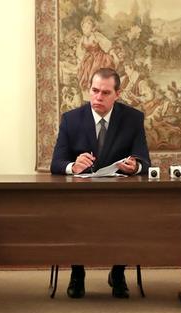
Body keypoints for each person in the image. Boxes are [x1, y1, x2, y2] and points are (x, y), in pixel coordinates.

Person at [51, 67, 151, 299]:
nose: (98, 97)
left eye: (105, 93)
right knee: (75, 220)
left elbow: (145, 160)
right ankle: (77, 273)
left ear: (117, 93)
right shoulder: (71, 119)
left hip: (118, 196)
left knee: (128, 219)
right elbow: (57, 162)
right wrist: (72, 167)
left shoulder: (132, 118)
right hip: (82, 196)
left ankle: (118, 273)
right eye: (94, 91)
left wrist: (134, 166)